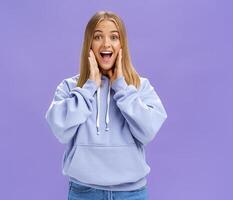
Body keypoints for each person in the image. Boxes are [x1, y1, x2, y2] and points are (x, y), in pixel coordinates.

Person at [45, 10, 167, 200]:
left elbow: (148, 131)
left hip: (131, 194)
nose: (106, 43)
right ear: (89, 45)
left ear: (122, 45)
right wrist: (89, 87)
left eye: (114, 37)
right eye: (98, 36)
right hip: (84, 192)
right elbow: (60, 130)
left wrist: (121, 87)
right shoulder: (70, 87)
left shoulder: (140, 87)